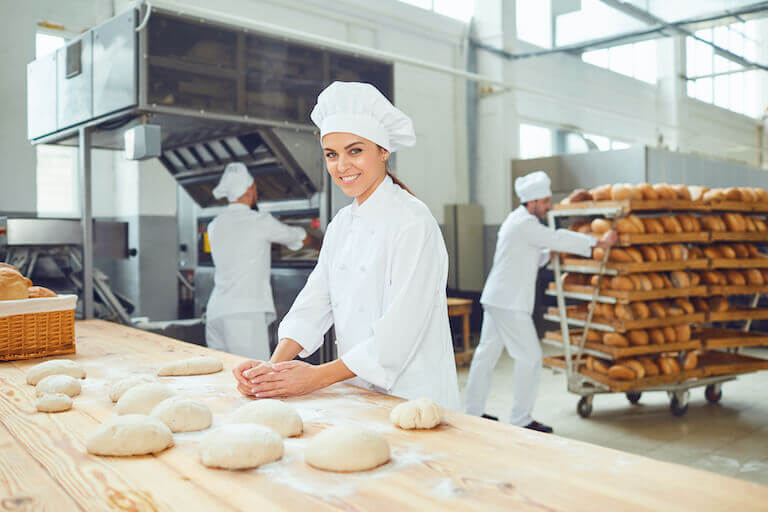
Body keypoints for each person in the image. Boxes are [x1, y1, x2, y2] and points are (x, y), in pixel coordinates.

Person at [232, 81, 460, 410]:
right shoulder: (341, 223)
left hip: (414, 394)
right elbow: (315, 301)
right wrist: (273, 369)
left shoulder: (413, 221)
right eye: (331, 154)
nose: (341, 166)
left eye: (355, 151)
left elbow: (402, 330)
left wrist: (314, 377)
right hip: (357, 389)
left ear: (384, 151)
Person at [464, 171, 617, 432]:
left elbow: (532, 256)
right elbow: (555, 237)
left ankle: (472, 413)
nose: (549, 206)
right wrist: (597, 242)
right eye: (545, 202)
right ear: (532, 203)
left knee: (485, 358)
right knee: (531, 357)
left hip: (497, 298)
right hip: (509, 302)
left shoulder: (517, 221)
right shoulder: (525, 224)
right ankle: (521, 420)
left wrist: (551, 252)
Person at [205, 162, 311, 360]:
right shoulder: (258, 221)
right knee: (254, 376)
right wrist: (316, 239)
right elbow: (295, 236)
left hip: (216, 312)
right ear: (249, 190)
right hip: (244, 314)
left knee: (221, 376)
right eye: (254, 187)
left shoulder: (214, 225)